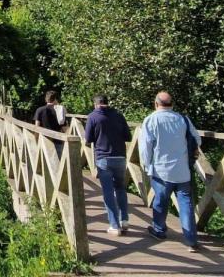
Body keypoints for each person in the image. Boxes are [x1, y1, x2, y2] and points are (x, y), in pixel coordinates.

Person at [139, 91, 202, 252]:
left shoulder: (151, 120)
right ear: (171, 104)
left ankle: (159, 230)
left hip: (162, 170)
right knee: (186, 204)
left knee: (160, 201)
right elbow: (197, 139)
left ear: (156, 103)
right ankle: (191, 240)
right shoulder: (183, 119)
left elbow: (146, 147)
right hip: (182, 171)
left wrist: (146, 165)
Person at [84, 94, 133, 235]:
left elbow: (88, 139)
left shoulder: (93, 117)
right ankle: (124, 220)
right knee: (121, 189)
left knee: (108, 192)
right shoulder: (118, 115)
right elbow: (128, 137)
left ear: (95, 104)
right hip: (120, 157)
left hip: (103, 158)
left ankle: (114, 225)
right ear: (107, 103)